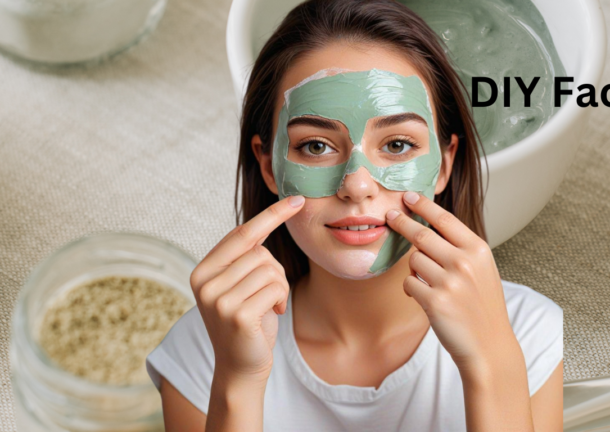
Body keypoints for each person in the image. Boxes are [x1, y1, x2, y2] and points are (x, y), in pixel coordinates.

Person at [146, 0, 563, 430]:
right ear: (269, 166)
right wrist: (238, 380)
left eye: (398, 145)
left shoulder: (524, 331)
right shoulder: (205, 348)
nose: (358, 185)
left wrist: (492, 362)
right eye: (315, 146)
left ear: (443, 164)